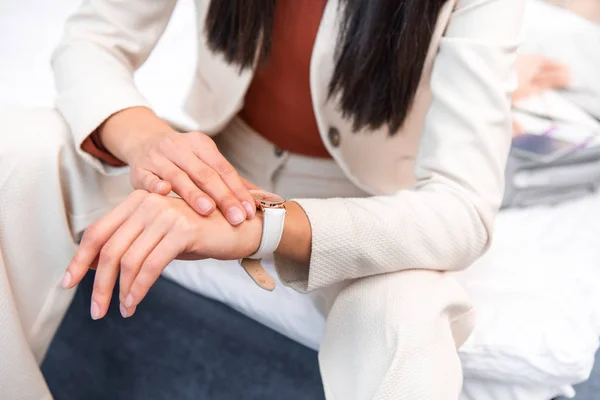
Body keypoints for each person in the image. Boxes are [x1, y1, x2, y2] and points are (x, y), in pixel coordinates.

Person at [0, 0, 523, 398]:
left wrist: (260, 223)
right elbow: (92, 40)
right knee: (17, 150)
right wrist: (147, 140)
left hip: (361, 201)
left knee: (403, 311)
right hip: (215, 159)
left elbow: (462, 210)